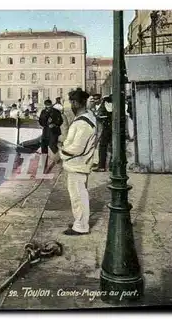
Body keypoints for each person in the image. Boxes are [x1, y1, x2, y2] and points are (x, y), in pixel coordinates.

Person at [60, 89, 97, 236]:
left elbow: (77, 147)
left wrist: (60, 154)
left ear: (76, 103)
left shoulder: (83, 123)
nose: (71, 106)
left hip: (78, 164)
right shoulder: (87, 117)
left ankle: (81, 226)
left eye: (72, 103)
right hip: (79, 164)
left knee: (78, 197)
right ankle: (79, 220)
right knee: (78, 195)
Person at [93, 95, 113, 172]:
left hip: (105, 129)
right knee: (112, 147)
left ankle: (102, 166)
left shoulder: (104, 106)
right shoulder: (115, 106)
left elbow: (100, 116)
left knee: (102, 147)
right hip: (114, 129)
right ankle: (111, 166)